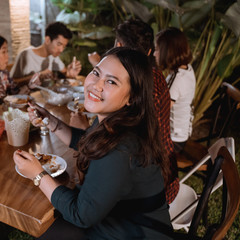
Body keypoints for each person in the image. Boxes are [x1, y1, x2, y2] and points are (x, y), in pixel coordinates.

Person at [14, 47, 173, 239]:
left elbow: (80, 215)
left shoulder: (121, 148)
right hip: (117, 220)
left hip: (134, 233)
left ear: (132, 97)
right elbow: (87, 142)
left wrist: (38, 175)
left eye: (111, 81)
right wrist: (51, 121)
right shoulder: (117, 120)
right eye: (96, 73)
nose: (96, 85)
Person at [79, 19, 178, 204]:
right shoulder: (155, 76)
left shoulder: (124, 141)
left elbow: (85, 211)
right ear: (149, 52)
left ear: (119, 46)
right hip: (166, 170)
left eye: (111, 81)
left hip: (153, 192)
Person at [154, 27, 196, 153]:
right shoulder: (186, 69)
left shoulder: (177, 79)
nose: (155, 54)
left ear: (168, 52)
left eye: (157, 49)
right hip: (182, 134)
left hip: (173, 140)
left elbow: (159, 113)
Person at [10, 21, 81, 84]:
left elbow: (65, 73)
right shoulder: (26, 55)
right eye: (59, 44)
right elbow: (12, 82)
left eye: (64, 46)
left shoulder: (53, 56)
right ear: (47, 40)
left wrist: (70, 74)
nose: (61, 50)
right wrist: (39, 75)